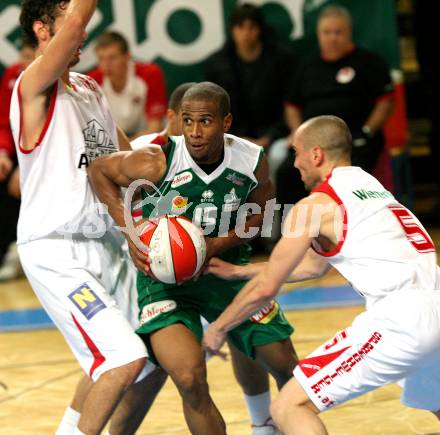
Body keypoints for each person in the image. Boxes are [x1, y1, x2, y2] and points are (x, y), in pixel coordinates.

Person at [203, 115, 440, 434]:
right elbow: (314, 266)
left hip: (401, 321)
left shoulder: (316, 205)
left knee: (289, 406)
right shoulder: (371, 188)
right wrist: (242, 270)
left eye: (297, 152)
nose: (295, 163)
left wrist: (219, 327)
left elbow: (266, 288)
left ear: (316, 155)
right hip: (434, 308)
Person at [88, 81, 298, 434]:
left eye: (205, 121)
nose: (195, 132)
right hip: (165, 283)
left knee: (285, 364)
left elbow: (264, 208)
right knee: (189, 378)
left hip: (226, 270)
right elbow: (99, 171)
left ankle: (270, 426)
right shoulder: (157, 159)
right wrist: (132, 233)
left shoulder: (249, 159)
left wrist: (216, 244)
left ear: (226, 122)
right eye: (187, 121)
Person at [10, 1, 162, 433]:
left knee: (150, 360)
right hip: (57, 250)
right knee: (122, 359)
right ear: (43, 29)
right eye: (66, 23)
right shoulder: (33, 85)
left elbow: (123, 155)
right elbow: (77, 22)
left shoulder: (89, 88)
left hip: (107, 243)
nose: (83, 33)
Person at [204, 3, 294, 149]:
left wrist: (269, 138)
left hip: (276, 137)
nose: (246, 33)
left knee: (279, 155)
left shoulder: (282, 60)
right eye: (240, 27)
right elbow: (213, 111)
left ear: (260, 29)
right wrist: (237, 138)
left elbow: (290, 105)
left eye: (251, 27)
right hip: (231, 139)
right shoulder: (217, 65)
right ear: (232, 30)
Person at [88, 31, 167, 139]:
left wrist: (127, 147)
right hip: (114, 142)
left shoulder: (150, 74)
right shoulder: (92, 81)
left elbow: (156, 127)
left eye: (112, 58)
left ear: (127, 57)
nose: (106, 65)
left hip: (145, 139)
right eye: (101, 59)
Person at [0, 41, 34, 280]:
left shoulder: (54, 78)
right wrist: (2, 153)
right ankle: (10, 250)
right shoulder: (14, 75)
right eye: (23, 57)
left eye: (30, 57)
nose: (26, 63)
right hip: (16, 149)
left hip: (41, 153)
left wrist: (25, 167)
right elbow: (4, 121)